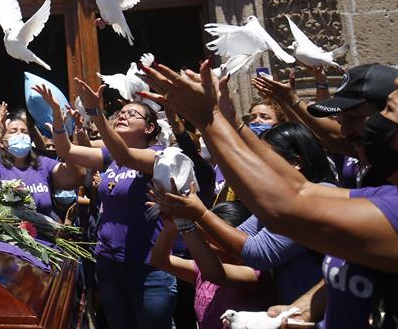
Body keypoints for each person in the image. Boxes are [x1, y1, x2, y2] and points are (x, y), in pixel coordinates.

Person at [140, 60, 398, 325]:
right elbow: (300, 188)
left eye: (389, 112)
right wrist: (299, 311)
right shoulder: (378, 193)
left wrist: (208, 119)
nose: (344, 131)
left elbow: (286, 211)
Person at [47, 79, 178, 329]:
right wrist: (56, 116)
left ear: (150, 128)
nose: (123, 116)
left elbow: (126, 155)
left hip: (148, 267)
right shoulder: (111, 158)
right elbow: (66, 151)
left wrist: (96, 113)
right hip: (109, 263)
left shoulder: (160, 155)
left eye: (132, 114)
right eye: (121, 112)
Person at [157, 123, 335, 304]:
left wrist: (200, 214)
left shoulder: (318, 196)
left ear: (296, 162)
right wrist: (184, 216)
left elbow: (257, 253)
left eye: (265, 158)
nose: (258, 166)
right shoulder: (282, 199)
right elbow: (237, 239)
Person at [149, 202, 274, 329]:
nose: (206, 244)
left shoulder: (256, 274)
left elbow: (217, 274)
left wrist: (186, 222)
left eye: (213, 239)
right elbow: (160, 260)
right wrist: (171, 226)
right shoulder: (202, 268)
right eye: (206, 238)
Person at [0, 100, 83, 218]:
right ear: (2, 142)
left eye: (24, 132)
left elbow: (76, 177)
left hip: (44, 235)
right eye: (13, 131)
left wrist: (62, 138)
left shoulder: (43, 164)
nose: (20, 135)